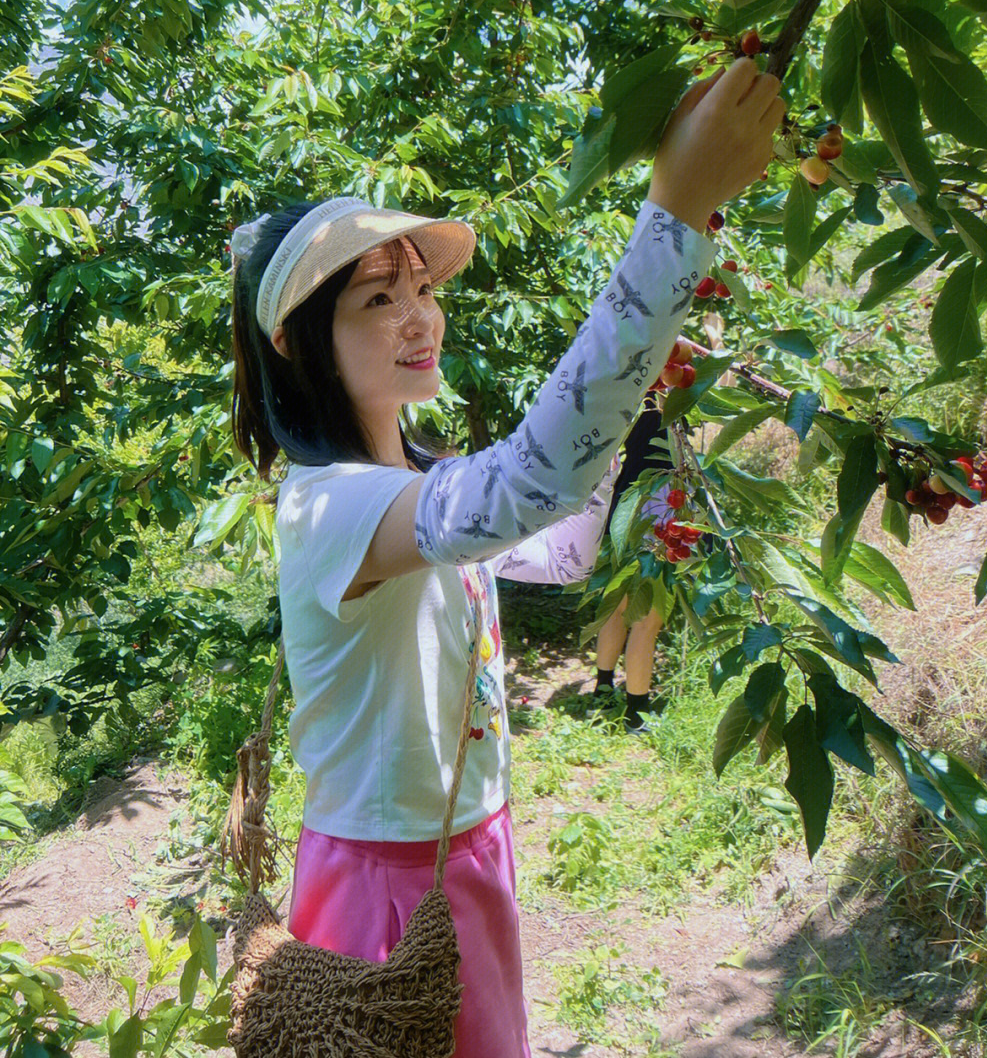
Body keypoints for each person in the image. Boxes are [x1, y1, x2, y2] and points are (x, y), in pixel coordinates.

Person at [227, 58, 783, 1057]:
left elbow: (558, 549)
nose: (418, 314)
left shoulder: (421, 473)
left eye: (421, 285)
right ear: (300, 345)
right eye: (373, 299)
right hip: (385, 878)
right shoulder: (332, 508)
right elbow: (532, 480)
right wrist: (677, 214)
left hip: (471, 847)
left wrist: (639, 404)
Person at [593, 397, 674, 732]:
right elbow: (721, 379)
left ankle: (602, 689)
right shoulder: (678, 402)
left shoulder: (630, 393)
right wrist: (715, 341)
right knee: (647, 619)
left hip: (622, 507)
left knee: (617, 605)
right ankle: (637, 714)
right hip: (658, 509)